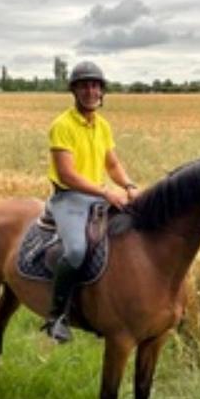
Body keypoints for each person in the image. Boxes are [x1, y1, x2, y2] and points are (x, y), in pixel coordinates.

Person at [44, 61, 138, 343]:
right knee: (75, 251)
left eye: (95, 85)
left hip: (96, 195)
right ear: (74, 91)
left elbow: (112, 164)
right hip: (69, 197)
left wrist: (129, 185)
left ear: (102, 91)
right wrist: (105, 192)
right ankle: (57, 315)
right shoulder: (62, 125)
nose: (91, 91)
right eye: (84, 85)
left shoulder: (103, 126)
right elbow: (67, 174)